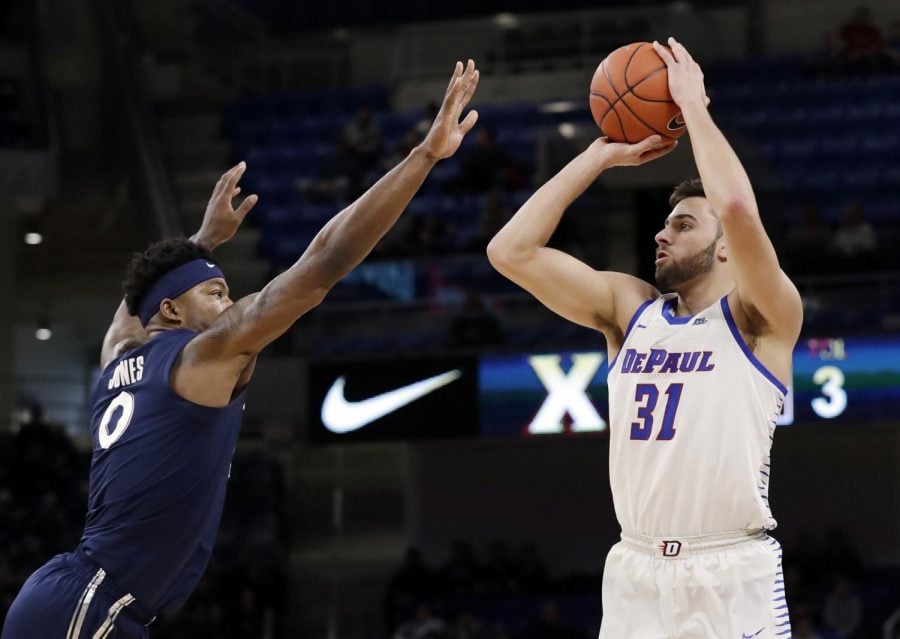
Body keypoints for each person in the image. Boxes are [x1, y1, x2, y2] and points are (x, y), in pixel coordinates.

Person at [1, 59, 480, 639]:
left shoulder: (118, 360)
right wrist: (424, 156)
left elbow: (133, 311)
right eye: (215, 291)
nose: (229, 305)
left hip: (92, 602)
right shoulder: (200, 358)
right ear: (173, 312)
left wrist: (198, 246)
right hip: (93, 603)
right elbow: (324, 261)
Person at [487, 38, 802, 638]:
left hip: (730, 572)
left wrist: (694, 107)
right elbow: (509, 251)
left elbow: (736, 204)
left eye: (683, 225)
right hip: (635, 571)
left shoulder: (763, 317)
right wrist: (599, 157)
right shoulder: (630, 312)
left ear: (726, 246)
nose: (662, 235)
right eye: (663, 223)